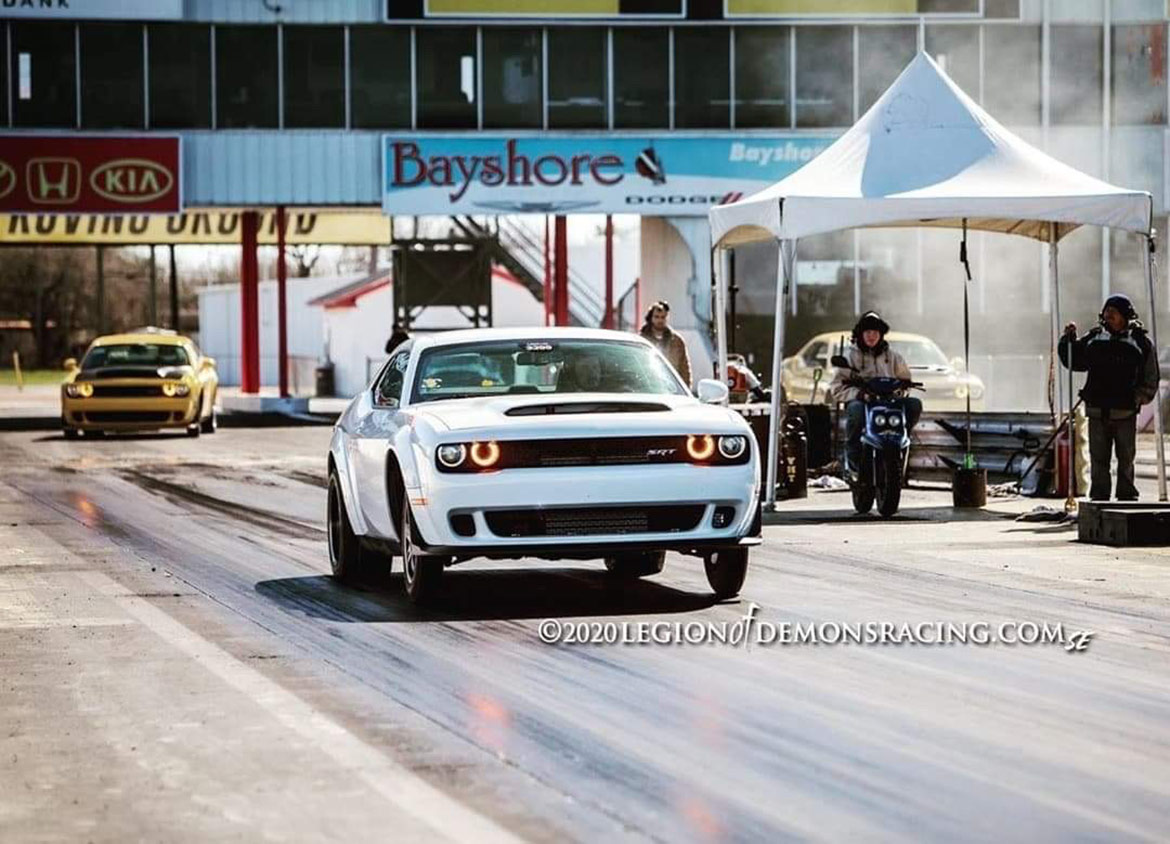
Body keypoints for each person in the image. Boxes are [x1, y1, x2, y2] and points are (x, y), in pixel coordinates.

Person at [1059, 294, 1159, 501]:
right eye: (1107, 312)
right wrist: (1067, 340)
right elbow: (1074, 360)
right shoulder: (1095, 338)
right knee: (1099, 459)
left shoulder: (1140, 342)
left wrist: (1138, 398)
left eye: (1114, 312)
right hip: (1097, 411)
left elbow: (1151, 376)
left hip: (1125, 411)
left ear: (1126, 316)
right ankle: (1099, 498)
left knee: (1126, 458)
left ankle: (1126, 496)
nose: (1109, 316)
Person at [829, 311, 922, 478]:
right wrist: (859, 394)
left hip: (889, 402)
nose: (872, 336)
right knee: (856, 411)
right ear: (860, 334)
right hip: (863, 402)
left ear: (881, 335)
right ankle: (854, 464)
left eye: (875, 332)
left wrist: (900, 390)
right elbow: (836, 388)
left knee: (914, 404)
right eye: (868, 332)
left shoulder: (893, 357)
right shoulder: (851, 356)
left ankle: (901, 440)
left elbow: (905, 380)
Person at [639, 301, 692, 388]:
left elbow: (684, 369)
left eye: (663, 317)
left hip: (671, 388)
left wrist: (686, 389)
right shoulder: (642, 340)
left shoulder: (676, 341)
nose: (660, 320)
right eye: (656, 317)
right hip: (648, 387)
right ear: (651, 318)